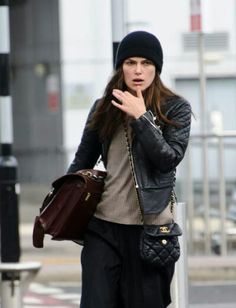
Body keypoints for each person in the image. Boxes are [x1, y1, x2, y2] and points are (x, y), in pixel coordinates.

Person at [67, 30, 191, 308]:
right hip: (103, 230)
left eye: (146, 63)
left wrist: (142, 117)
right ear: (120, 66)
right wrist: (60, 202)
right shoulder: (104, 108)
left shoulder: (175, 109)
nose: (138, 70)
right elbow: (80, 164)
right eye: (130, 62)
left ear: (156, 69)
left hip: (150, 233)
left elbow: (168, 160)